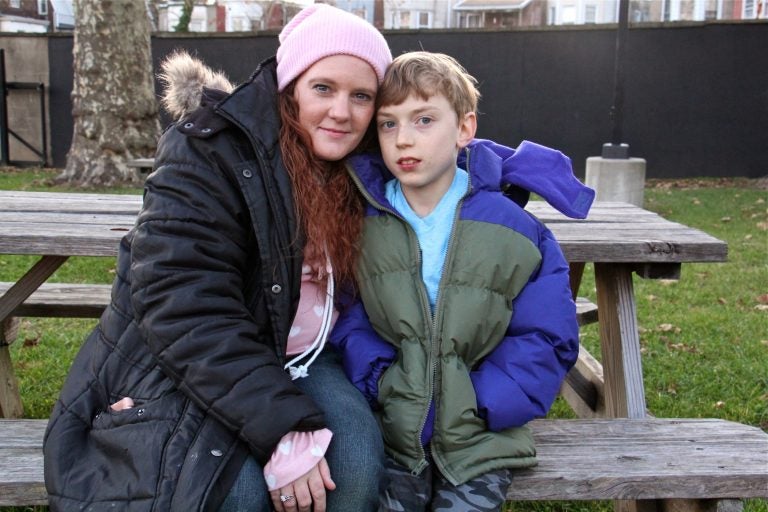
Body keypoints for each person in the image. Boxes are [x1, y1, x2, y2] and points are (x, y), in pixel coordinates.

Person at [43, 5, 392, 512]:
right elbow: (181, 302)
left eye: (361, 96)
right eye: (323, 88)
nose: (342, 111)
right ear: (289, 86)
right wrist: (285, 430)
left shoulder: (360, 164)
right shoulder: (209, 150)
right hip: (194, 353)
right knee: (235, 494)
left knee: (356, 471)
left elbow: (436, 143)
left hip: (308, 356)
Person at [330, 52, 594, 511]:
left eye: (424, 120)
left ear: (464, 129)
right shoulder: (363, 224)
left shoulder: (514, 230)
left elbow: (548, 335)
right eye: (388, 124)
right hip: (392, 434)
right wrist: (379, 381)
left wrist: (486, 401)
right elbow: (348, 316)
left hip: (480, 441)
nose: (403, 139)